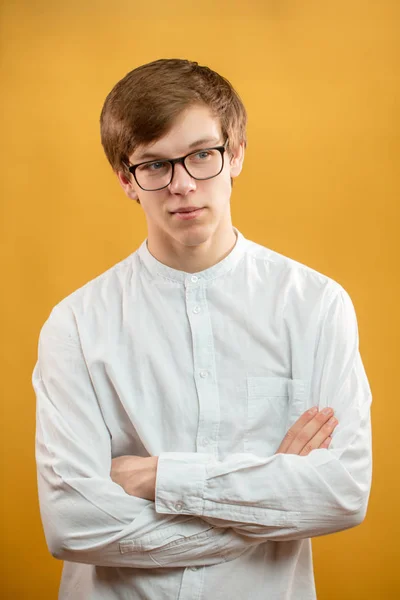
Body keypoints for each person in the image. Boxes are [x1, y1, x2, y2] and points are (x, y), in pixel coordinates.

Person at [32, 58, 372, 600]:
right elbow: (74, 524)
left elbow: (343, 493)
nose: (183, 185)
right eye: (155, 165)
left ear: (235, 155)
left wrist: (161, 478)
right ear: (126, 179)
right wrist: (265, 502)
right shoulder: (75, 325)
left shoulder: (316, 306)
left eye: (201, 155)